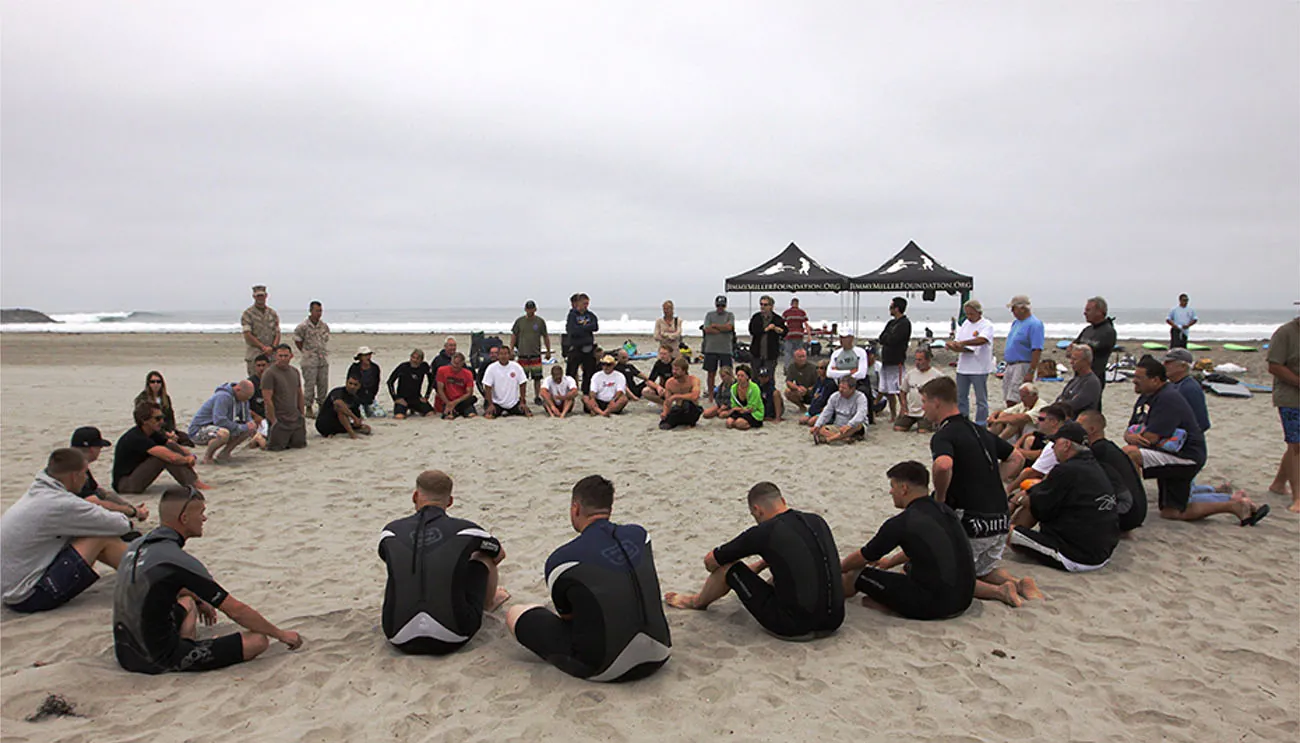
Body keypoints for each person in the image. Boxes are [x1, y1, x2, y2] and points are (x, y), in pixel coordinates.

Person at [113, 487, 303, 674]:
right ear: (184, 519)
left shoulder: (137, 546)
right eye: (201, 513)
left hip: (125, 652)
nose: (204, 518)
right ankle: (184, 649)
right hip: (156, 660)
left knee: (188, 602)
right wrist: (281, 634)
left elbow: (160, 585)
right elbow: (236, 611)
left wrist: (199, 599)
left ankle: (184, 640)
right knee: (258, 640)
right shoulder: (176, 559)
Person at [506, 476, 671, 681]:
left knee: (516, 612)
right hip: (661, 651)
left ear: (575, 509)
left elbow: (569, 619)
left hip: (607, 667)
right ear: (609, 508)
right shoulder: (640, 536)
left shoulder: (562, 560)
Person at [664, 482, 843, 640]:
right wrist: (761, 564)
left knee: (729, 567)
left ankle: (696, 602)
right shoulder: (817, 521)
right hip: (834, 620)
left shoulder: (765, 531)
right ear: (782, 500)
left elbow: (711, 562)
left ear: (757, 510)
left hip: (792, 626)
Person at [921, 376, 1038, 608]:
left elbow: (943, 465)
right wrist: (993, 479)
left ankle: (1000, 592)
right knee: (982, 569)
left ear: (936, 402)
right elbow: (1016, 457)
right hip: (1000, 520)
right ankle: (1018, 582)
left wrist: (941, 498)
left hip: (973, 521)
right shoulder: (978, 430)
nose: (922, 407)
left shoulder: (944, 434)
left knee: (948, 577)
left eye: (924, 401)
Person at [378, 470, 509, 655]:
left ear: (415, 496)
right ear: (450, 502)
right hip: (455, 634)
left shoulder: (390, 533)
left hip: (397, 634)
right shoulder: (468, 531)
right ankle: (489, 603)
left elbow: (388, 558)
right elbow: (499, 555)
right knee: (482, 556)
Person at [1123, 357, 1266, 525]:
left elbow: (1149, 439)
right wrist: (1130, 435)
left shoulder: (1167, 398)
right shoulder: (1147, 396)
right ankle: (1231, 499)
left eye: (1139, 378)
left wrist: (1133, 437)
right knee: (1171, 512)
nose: (1134, 381)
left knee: (1130, 454)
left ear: (1155, 380)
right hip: (1168, 453)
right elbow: (1131, 428)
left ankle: (1133, 506)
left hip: (1186, 456)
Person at [839, 461, 974, 620]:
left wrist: (838, 568)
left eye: (892, 486)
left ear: (904, 489)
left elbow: (865, 556)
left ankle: (838, 591)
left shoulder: (902, 522)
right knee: (907, 569)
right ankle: (886, 603)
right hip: (964, 600)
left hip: (936, 606)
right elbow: (925, 547)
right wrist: (890, 562)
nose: (890, 492)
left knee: (856, 573)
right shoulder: (946, 511)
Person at [1, 448, 132, 612]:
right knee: (100, 536)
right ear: (74, 476)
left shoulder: (37, 493)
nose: (85, 479)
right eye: (84, 474)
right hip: (28, 596)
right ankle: (143, 575)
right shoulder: (60, 503)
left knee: (86, 529)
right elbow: (121, 525)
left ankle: (136, 571)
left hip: (10, 589)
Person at [1008, 422, 1120, 572]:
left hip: (1076, 556)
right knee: (1035, 496)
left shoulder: (1066, 470)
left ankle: (1012, 534)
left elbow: (1040, 507)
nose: (1052, 448)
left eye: (1055, 443)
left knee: (1007, 531)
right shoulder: (1093, 466)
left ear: (1066, 445)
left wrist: (1016, 500)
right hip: (1101, 551)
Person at [1078, 410, 1147, 532]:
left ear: (1092, 429)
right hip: (1138, 511)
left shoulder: (1097, 452)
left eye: (1079, 426)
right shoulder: (1110, 447)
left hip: (1127, 514)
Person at [114, 402, 205, 493]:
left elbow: (171, 444)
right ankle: (193, 483)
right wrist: (186, 460)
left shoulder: (151, 433)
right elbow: (171, 457)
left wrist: (190, 455)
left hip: (135, 476)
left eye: (162, 417)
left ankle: (195, 481)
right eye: (157, 419)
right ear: (144, 420)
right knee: (163, 457)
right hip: (125, 485)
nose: (162, 421)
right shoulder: (136, 437)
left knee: (170, 446)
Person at [69, 427, 150, 524]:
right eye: (100, 447)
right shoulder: (76, 469)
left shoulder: (69, 462)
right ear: (92, 449)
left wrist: (130, 507)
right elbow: (95, 502)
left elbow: (101, 493)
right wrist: (132, 512)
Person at [1267, 314, 1300, 512]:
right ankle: (1298, 498)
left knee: (1296, 444)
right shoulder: (1286, 333)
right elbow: (1274, 365)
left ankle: (1279, 483)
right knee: (1296, 444)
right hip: (1291, 398)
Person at [945, 299, 996, 426]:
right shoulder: (965, 324)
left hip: (979, 367)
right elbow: (959, 341)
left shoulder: (986, 325)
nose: (969, 316)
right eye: (967, 313)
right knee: (961, 396)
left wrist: (964, 343)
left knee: (981, 399)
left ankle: (981, 423)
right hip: (963, 367)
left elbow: (982, 339)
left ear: (978, 312)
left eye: (971, 314)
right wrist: (953, 345)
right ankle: (963, 421)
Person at [187, 380, 257, 463]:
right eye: (245, 397)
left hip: (220, 427)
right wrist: (241, 427)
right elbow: (220, 421)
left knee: (250, 428)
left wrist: (250, 423)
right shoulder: (223, 396)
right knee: (223, 433)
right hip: (199, 430)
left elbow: (246, 417)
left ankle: (224, 453)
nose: (246, 400)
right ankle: (208, 457)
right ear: (238, 389)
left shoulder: (243, 400)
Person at [1008, 403, 1072, 489]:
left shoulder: (1055, 444)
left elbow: (1031, 471)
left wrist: (1009, 489)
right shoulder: (1061, 436)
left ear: (1053, 422)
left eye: (1041, 419)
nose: (1037, 421)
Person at [261, 344, 307, 451]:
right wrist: (273, 420)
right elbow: (267, 399)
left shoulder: (295, 372)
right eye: (280, 356)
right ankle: (259, 439)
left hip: (295, 418)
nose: (283, 359)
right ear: (275, 356)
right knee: (275, 448)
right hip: (280, 419)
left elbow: (299, 393)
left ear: (291, 356)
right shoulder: (269, 373)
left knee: (299, 445)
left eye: (285, 356)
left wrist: (301, 414)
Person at [1074, 296, 1117, 406]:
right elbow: (1073, 348)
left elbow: (1091, 351)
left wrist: (1082, 349)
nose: (1084, 313)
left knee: (1090, 407)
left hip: (1095, 376)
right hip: (1079, 376)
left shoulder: (1108, 331)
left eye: (1088, 310)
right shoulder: (1087, 330)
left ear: (1099, 312)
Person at [1002, 295, 1044, 406]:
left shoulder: (1035, 324)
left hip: (1023, 364)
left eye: (1013, 308)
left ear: (1022, 308)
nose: (1012, 312)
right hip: (1011, 364)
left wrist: (1031, 371)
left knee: (1015, 397)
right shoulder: (1016, 323)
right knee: (1007, 395)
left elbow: (1037, 349)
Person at [134, 371, 193, 447]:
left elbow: (170, 417)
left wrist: (171, 431)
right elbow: (145, 421)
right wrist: (164, 434)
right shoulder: (142, 399)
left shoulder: (165, 398)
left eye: (158, 382)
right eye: (152, 382)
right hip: (151, 430)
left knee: (186, 439)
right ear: (148, 384)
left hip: (166, 428)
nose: (156, 384)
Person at [292, 301, 331, 418]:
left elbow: (325, 339)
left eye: (320, 311)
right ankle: (308, 407)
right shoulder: (303, 326)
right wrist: (306, 352)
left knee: (323, 384)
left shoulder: (324, 326)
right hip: (309, 359)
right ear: (310, 311)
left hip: (322, 358)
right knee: (310, 384)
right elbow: (298, 340)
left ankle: (322, 405)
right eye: (316, 311)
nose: (319, 313)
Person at [877, 297, 913, 421]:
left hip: (897, 360)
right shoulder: (891, 323)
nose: (890, 309)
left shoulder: (904, 323)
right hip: (887, 361)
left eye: (891, 307)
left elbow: (893, 340)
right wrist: (887, 338)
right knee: (888, 391)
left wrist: (887, 338)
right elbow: (881, 337)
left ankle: (904, 411)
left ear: (897, 308)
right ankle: (893, 414)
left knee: (899, 390)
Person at [511, 300, 552, 404]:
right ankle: (521, 397)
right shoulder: (519, 321)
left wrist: (548, 351)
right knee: (521, 378)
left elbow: (545, 336)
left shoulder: (540, 321)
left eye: (532, 308)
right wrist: (511, 349)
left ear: (535, 309)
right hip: (522, 354)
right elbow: (514, 335)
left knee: (537, 377)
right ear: (525, 309)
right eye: (528, 308)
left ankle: (537, 396)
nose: (530, 311)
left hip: (535, 353)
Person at [894, 348, 944, 433]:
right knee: (898, 428)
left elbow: (943, 395)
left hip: (926, 412)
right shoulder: (910, 374)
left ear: (928, 360)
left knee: (923, 431)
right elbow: (903, 391)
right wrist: (904, 406)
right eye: (916, 360)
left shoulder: (937, 375)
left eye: (920, 360)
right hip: (911, 411)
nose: (917, 362)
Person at [1163, 348, 1210, 432]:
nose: (1164, 365)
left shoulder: (1189, 388)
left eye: (1168, 363)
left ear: (1183, 366)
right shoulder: (1174, 385)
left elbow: (1202, 423)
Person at [811, 376, 868, 444]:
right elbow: (826, 412)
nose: (840, 390)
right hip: (838, 425)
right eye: (840, 387)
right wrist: (817, 425)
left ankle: (830, 439)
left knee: (856, 426)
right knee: (821, 429)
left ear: (852, 389)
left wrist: (849, 425)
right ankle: (844, 439)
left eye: (844, 388)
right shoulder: (835, 396)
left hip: (854, 426)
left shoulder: (860, 397)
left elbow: (861, 414)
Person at [702, 295, 736, 404]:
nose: (720, 307)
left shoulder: (730, 315)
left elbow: (730, 327)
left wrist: (716, 326)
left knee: (727, 373)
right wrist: (722, 328)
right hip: (711, 348)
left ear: (725, 305)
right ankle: (711, 395)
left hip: (725, 349)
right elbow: (707, 329)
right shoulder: (709, 315)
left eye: (722, 305)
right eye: (718, 305)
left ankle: (727, 393)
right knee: (711, 373)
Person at [241, 284, 281, 377]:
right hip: (255, 355)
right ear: (254, 296)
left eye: (262, 296)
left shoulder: (272, 313)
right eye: (258, 296)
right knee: (255, 385)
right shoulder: (248, 314)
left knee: (272, 384)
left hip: (271, 356)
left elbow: (277, 333)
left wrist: (272, 347)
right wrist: (263, 348)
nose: (260, 298)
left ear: (266, 296)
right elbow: (247, 335)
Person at [482, 345, 532, 418]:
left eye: (505, 354)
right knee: (489, 416)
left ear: (509, 355)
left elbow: (523, 383)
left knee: (528, 414)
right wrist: (490, 404)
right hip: (497, 402)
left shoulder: (516, 366)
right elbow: (487, 387)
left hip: (513, 402)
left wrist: (522, 401)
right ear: (498, 355)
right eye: (501, 354)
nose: (503, 356)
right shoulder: (491, 368)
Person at [565, 293, 599, 394]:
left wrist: (582, 328)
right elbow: (573, 330)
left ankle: (586, 392)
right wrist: (586, 328)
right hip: (576, 347)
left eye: (587, 303)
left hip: (588, 347)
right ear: (578, 303)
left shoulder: (590, 315)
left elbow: (595, 326)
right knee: (571, 372)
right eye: (584, 303)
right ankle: (569, 391)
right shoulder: (572, 315)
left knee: (589, 372)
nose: (585, 305)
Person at [746, 295, 787, 379]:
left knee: (769, 378)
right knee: (755, 378)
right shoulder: (756, 317)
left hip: (771, 354)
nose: (762, 307)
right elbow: (752, 331)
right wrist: (766, 329)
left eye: (765, 305)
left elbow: (784, 332)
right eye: (761, 304)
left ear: (771, 306)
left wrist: (776, 329)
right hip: (756, 354)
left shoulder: (777, 319)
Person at [1056, 345, 1102, 416]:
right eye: (1071, 359)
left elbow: (1074, 405)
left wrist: (1064, 402)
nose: (1071, 362)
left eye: (1075, 359)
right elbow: (1060, 398)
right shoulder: (1075, 379)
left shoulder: (1091, 382)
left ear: (1086, 361)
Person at [658, 356, 702, 430]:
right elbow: (667, 401)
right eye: (673, 369)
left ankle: (689, 424)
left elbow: (695, 396)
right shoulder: (670, 382)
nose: (674, 372)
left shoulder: (693, 380)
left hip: (692, 409)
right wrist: (665, 412)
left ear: (684, 371)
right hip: (678, 409)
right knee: (664, 425)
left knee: (686, 403)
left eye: (677, 370)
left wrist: (676, 396)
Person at [388, 349, 434, 419]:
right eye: (413, 357)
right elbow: (390, 382)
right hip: (402, 398)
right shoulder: (403, 367)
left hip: (416, 397)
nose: (414, 360)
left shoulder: (424, 366)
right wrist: (395, 398)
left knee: (431, 414)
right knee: (399, 417)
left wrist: (426, 396)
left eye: (417, 358)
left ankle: (414, 409)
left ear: (421, 360)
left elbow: (431, 381)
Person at [436, 352, 478, 419]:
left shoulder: (468, 373)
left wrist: (455, 403)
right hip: (447, 400)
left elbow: (469, 392)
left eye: (458, 364)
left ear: (462, 363)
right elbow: (440, 389)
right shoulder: (442, 370)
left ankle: (457, 410)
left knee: (471, 414)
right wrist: (448, 403)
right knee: (449, 416)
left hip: (461, 400)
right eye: (454, 363)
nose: (455, 366)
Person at [347, 347, 385, 418]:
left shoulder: (375, 368)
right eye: (365, 355)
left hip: (370, 398)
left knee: (380, 415)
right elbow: (350, 384)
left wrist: (371, 395)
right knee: (361, 416)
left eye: (369, 355)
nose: (368, 357)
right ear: (360, 357)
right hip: (357, 397)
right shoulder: (354, 368)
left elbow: (376, 384)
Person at [726, 365, 765, 430]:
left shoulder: (754, 388)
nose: (739, 378)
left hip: (754, 413)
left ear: (747, 377)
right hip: (740, 411)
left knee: (739, 423)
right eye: (738, 375)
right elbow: (733, 404)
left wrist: (739, 409)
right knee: (728, 423)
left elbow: (752, 407)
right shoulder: (733, 388)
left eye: (742, 376)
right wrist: (739, 409)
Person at [783, 348, 819, 413]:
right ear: (795, 358)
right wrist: (797, 388)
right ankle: (802, 407)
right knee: (787, 391)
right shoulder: (792, 366)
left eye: (803, 356)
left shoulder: (813, 367)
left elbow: (818, 383)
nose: (802, 359)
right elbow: (788, 381)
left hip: (813, 391)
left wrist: (807, 390)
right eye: (800, 357)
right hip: (800, 391)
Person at [802, 361, 838, 425]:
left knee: (811, 422)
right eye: (817, 368)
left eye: (821, 368)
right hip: (815, 407)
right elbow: (814, 394)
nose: (818, 370)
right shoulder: (818, 380)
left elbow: (830, 400)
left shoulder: (831, 383)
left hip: (822, 409)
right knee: (802, 421)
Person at [782, 297, 809, 364]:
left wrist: (782, 333)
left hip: (789, 334)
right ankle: (798, 366)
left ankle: (787, 368)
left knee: (788, 352)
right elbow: (806, 324)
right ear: (798, 304)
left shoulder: (786, 312)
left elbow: (781, 323)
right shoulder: (802, 312)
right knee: (799, 352)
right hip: (799, 334)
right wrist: (809, 335)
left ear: (791, 304)